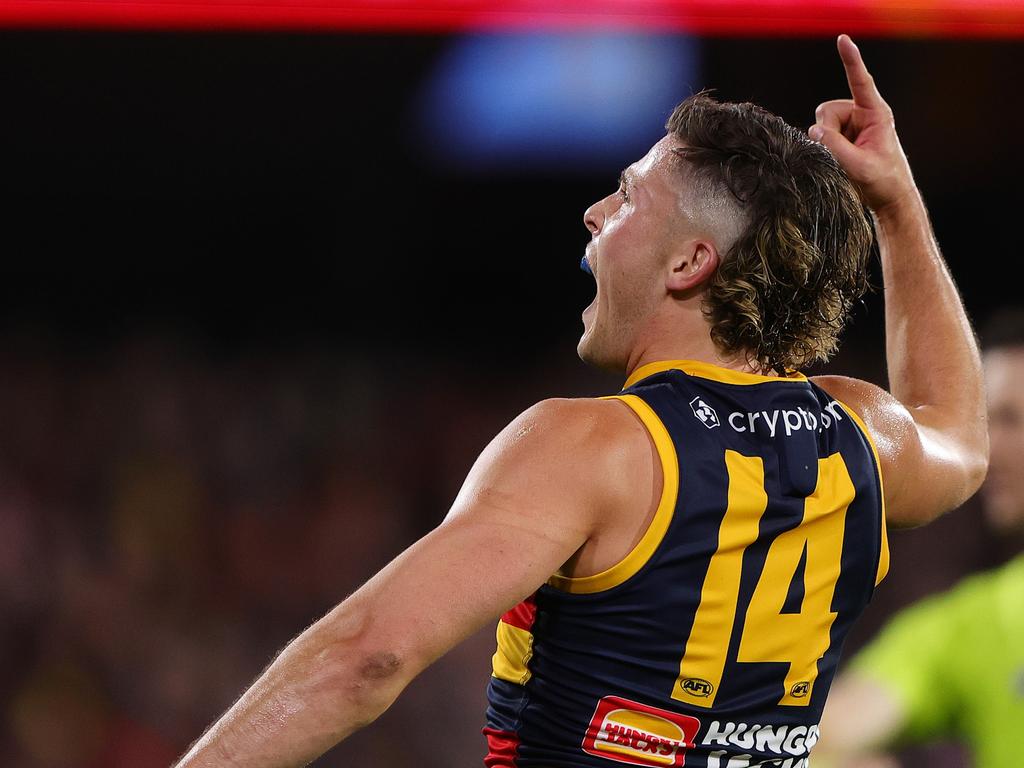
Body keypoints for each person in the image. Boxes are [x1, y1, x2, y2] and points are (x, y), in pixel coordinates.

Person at [175, 36, 987, 768]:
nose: (595, 213)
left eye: (628, 197)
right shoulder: (862, 438)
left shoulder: (593, 447)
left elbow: (368, 658)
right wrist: (896, 204)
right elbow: (959, 434)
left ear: (688, 264)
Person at [814, 309, 1024, 768]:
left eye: (1011, 419)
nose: (990, 447)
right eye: (986, 421)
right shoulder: (975, 619)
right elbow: (820, 739)